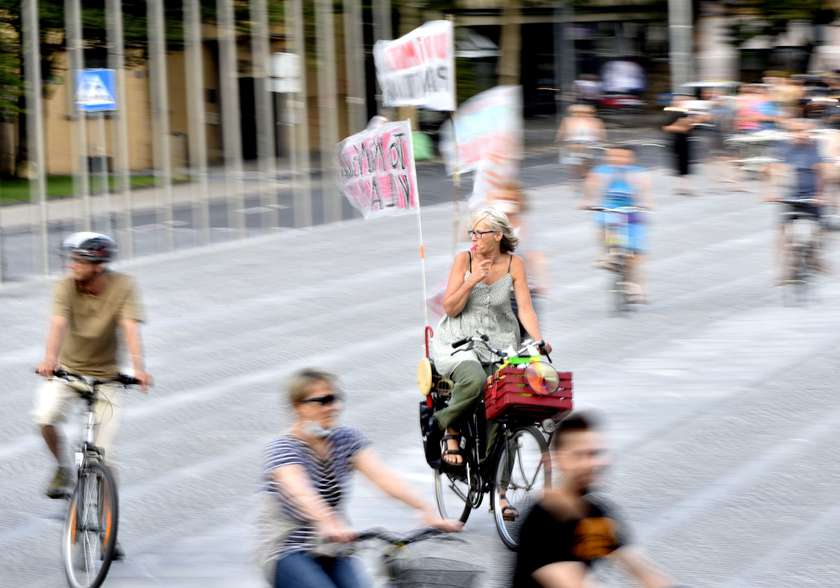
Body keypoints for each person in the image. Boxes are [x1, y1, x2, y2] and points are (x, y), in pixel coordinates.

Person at [257, 369, 460, 588]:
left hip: (332, 546)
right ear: (299, 406)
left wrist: (425, 510)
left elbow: (383, 477)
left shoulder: (345, 439)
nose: (333, 406)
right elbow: (300, 492)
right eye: (322, 401)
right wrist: (328, 522)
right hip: (289, 549)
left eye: (334, 398)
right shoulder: (284, 448)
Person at [430, 208, 550, 477]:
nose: (474, 237)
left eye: (480, 232)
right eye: (472, 231)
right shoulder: (464, 260)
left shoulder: (514, 263)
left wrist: (538, 341)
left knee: (504, 400)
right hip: (461, 340)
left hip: (499, 341)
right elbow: (450, 308)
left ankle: (499, 485)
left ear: (497, 235)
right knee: (474, 379)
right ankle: (444, 425)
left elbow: (526, 309)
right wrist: (471, 281)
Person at [34, 233, 151, 499]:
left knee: (106, 457)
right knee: (45, 417)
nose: (71, 265)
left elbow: (130, 326)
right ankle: (61, 467)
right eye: (71, 259)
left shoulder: (124, 286)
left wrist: (139, 368)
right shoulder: (65, 287)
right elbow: (58, 323)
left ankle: (108, 531)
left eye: (78, 260)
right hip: (68, 372)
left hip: (108, 378)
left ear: (98, 265)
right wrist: (49, 359)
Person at [512, 412, 680, 588]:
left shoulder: (596, 514)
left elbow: (643, 571)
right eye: (579, 455)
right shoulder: (541, 523)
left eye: (594, 454)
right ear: (556, 460)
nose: (591, 463)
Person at [580, 145, 653, 302]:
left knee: (636, 250)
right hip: (610, 210)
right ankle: (609, 255)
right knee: (604, 221)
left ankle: (634, 284)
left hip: (632, 211)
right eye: (613, 156)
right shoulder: (602, 171)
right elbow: (591, 186)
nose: (617, 160)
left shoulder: (638, 173)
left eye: (622, 157)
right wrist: (587, 201)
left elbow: (645, 190)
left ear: (631, 158)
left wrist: (646, 203)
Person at [767, 118, 829, 283]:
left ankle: (815, 258)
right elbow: (775, 169)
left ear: (809, 133)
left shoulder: (815, 146)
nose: (800, 135)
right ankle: (783, 272)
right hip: (791, 195)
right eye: (796, 132)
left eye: (803, 131)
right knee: (783, 233)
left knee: (820, 229)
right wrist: (772, 191)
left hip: (812, 195)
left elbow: (821, 173)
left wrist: (819, 195)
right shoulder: (784, 147)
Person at [662, 95, 708, 196]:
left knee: (686, 164)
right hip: (677, 140)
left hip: (686, 141)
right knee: (679, 164)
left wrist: (695, 122)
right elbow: (666, 127)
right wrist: (683, 127)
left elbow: (692, 126)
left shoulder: (686, 113)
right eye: (679, 101)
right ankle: (681, 186)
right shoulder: (673, 114)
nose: (682, 103)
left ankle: (684, 186)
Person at [556, 104, 607, 186]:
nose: (580, 114)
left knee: (585, 159)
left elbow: (601, 133)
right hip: (573, 143)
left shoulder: (595, 121)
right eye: (576, 112)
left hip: (590, 143)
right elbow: (562, 131)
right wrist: (559, 139)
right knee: (576, 159)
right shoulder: (567, 120)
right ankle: (581, 175)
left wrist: (602, 140)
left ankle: (584, 174)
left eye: (585, 113)